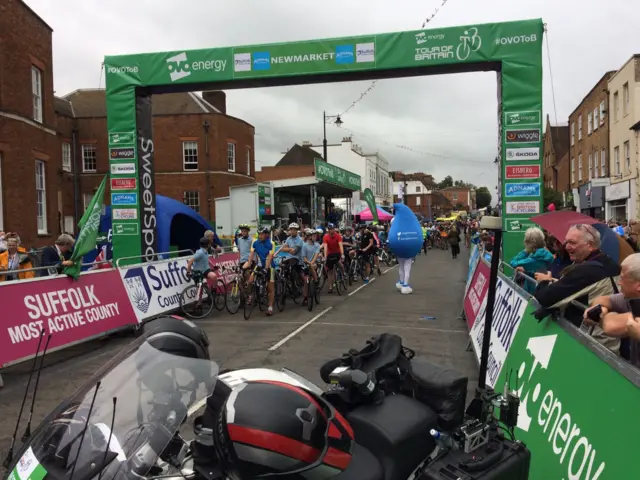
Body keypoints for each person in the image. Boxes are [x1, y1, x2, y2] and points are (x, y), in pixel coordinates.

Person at [534, 224, 621, 354]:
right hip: (610, 342)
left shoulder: (588, 271)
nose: (567, 246)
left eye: (572, 242)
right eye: (566, 241)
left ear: (590, 245)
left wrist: (544, 281)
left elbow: (546, 298)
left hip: (593, 348)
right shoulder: (607, 261)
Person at [584, 253, 640, 365]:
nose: (619, 282)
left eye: (623, 278)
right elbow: (603, 299)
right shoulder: (631, 297)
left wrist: (600, 314)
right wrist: (599, 307)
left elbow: (611, 327)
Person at [510, 227, 554, 294]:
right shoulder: (544, 254)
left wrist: (525, 251)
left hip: (534, 293)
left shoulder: (535, 259)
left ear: (529, 243)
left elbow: (513, 262)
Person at [244, 226, 276, 316]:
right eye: (259, 234)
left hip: (270, 267)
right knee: (250, 280)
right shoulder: (255, 242)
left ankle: (270, 307)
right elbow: (251, 255)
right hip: (259, 265)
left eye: (262, 234)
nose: (260, 236)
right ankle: (252, 296)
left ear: (266, 235)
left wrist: (266, 269)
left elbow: (270, 257)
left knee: (270, 288)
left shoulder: (271, 243)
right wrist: (249, 264)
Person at [322, 223, 344, 293]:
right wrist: (325, 257)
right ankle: (330, 287)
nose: (332, 230)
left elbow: (340, 245)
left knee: (339, 264)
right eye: (331, 229)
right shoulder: (325, 237)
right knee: (330, 271)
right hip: (330, 254)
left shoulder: (338, 236)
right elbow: (325, 247)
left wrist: (342, 254)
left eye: (333, 229)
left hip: (337, 253)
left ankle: (343, 274)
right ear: (328, 230)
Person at [301, 229, 320, 305]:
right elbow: (304, 257)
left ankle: (316, 281)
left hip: (314, 264)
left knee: (312, 266)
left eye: (315, 236)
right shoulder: (304, 246)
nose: (315, 237)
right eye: (313, 236)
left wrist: (311, 263)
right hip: (306, 264)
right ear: (309, 237)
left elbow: (316, 255)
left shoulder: (317, 245)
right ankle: (305, 298)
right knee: (305, 281)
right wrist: (308, 263)